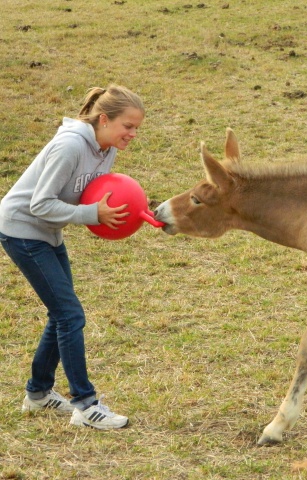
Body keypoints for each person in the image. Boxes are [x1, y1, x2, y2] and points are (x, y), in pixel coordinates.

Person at [0, 85, 145, 430]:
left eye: (137, 127)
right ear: (105, 119)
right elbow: (40, 204)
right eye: (128, 126)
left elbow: (90, 194)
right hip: (21, 230)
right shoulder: (69, 146)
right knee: (70, 315)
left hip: (48, 231)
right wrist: (93, 214)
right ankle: (85, 404)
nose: (133, 134)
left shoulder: (105, 149)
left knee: (62, 313)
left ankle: (38, 394)